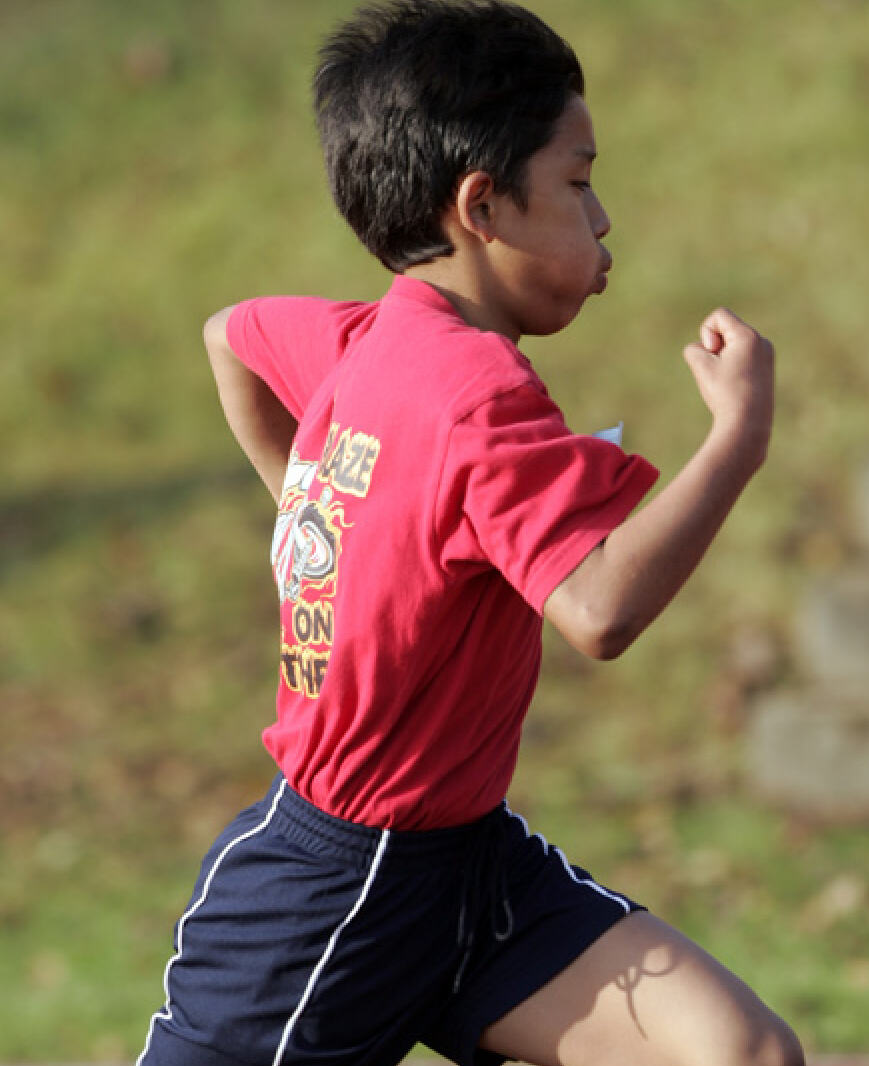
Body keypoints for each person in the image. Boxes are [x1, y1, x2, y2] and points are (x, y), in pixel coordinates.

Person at [138, 2, 802, 1065]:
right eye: (578, 182)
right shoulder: (475, 393)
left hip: (470, 873)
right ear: (482, 205)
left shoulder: (368, 337)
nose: (603, 218)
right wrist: (738, 437)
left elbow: (233, 337)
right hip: (327, 896)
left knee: (738, 1051)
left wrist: (323, 521)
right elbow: (599, 609)